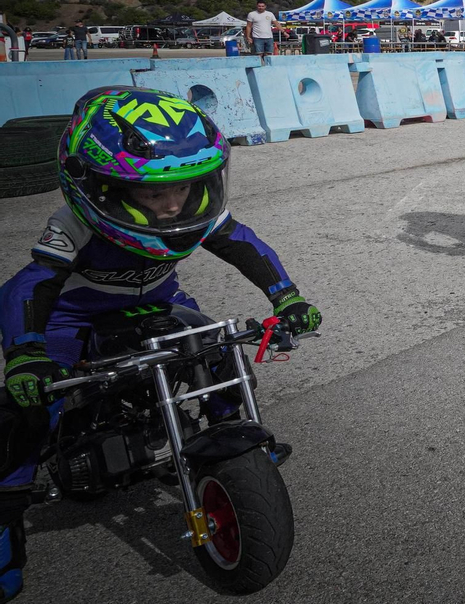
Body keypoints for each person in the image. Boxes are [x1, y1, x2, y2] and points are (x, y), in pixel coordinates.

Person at [0, 87, 321, 601]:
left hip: (162, 301)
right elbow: (28, 286)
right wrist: (26, 353)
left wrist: (288, 299)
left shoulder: (193, 207)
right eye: (153, 193)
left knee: (218, 350)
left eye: (188, 187)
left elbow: (243, 243)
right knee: (28, 410)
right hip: (73, 316)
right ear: (97, 186)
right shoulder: (75, 223)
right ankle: (6, 521)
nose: (175, 204)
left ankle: (229, 440)